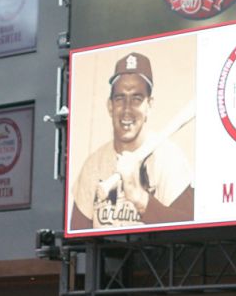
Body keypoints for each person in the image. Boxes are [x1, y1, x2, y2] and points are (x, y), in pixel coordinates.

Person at [70, 52, 194, 228]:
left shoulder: (170, 159)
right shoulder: (93, 165)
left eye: (136, 99)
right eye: (120, 98)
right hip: (107, 255)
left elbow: (191, 232)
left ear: (149, 106)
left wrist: (141, 199)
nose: (127, 109)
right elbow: (78, 238)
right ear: (110, 106)